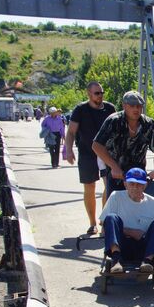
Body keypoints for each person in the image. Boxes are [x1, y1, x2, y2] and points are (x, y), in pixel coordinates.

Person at [64, 82, 117, 235]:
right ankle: (92, 222)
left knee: (109, 185)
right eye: (96, 93)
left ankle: (104, 219)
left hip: (106, 153)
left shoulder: (110, 108)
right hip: (87, 153)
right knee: (89, 187)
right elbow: (71, 132)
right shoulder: (80, 110)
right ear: (89, 94)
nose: (100, 96)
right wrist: (68, 150)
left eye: (101, 93)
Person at [92, 90, 154, 199]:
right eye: (132, 106)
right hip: (117, 174)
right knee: (115, 209)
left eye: (139, 106)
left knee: (138, 210)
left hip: (138, 175)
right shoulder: (114, 121)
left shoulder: (148, 124)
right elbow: (97, 145)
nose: (136, 109)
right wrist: (114, 166)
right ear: (124, 105)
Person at [100, 168, 154, 273]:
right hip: (122, 245)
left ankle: (147, 261)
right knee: (111, 217)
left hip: (144, 247)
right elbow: (104, 225)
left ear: (145, 185)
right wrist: (132, 232)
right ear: (125, 184)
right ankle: (116, 260)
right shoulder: (116, 197)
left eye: (139, 184)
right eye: (132, 184)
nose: (135, 187)